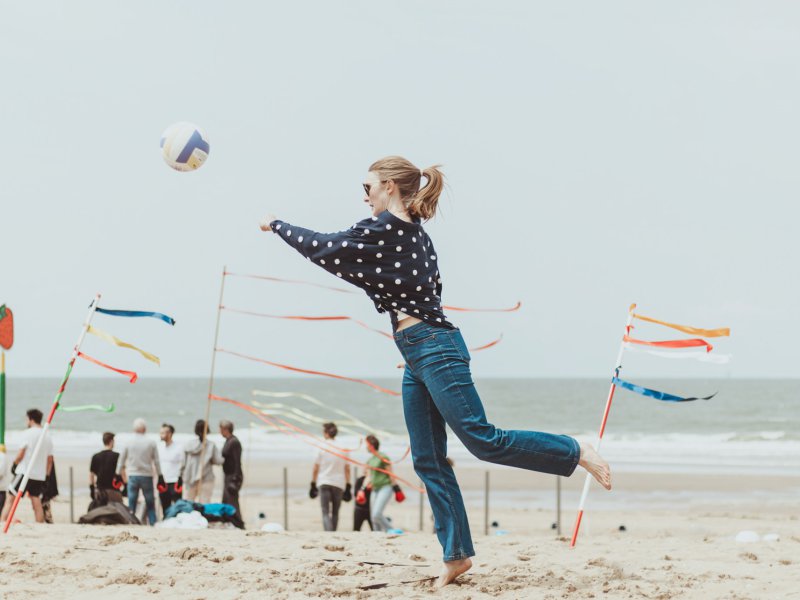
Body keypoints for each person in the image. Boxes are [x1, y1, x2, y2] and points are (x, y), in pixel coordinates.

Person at [259, 156, 611, 587]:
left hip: (435, 349)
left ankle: (575, 451)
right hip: (418, 352)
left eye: (366, 185)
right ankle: (457, 554)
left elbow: (327, 249)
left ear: (389, 186)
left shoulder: (387, 231)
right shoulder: (408, 235)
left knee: (483, 440)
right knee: (427, 459)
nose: (363, 194)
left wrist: (277, 225)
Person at [1, 409, 53, 524]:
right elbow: (50, 460)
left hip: (25, 472)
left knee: (10, 498)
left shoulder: (27, 433)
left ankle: (2, 521)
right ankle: (39, 524)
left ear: (31, 419)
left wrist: (14, 465)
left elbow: (21, 453)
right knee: (36, 501)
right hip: (39, 474)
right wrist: (47, 476)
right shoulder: (47, 435)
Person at [117, 418, 163, 526]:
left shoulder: (128, 442)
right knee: (150, 503)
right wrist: (160, 476)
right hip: (146, 475)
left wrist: (117, 474)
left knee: (132, 503)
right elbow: (156, 461)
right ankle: (153, 523)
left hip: (133, 475)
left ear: (134, 429)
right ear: (145, 429)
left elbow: (122, 460)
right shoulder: (151, 442)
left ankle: (131, 522)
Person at [310, 422, 351, 531]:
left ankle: (329, 534)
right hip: (339, 483)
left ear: (327, 433)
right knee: (335, 512)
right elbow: (347, 468)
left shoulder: (321, 446)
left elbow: (315, 467)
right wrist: (348, 484)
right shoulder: (343, 448)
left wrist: (313, 483)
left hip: (324, 481)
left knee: (325, 512)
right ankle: (333, 533)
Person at [180, 419, 223, 504]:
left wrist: (180, 476)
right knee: (204, 505)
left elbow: (182, 463)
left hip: (190, 478)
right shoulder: (211, 445)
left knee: (188, 505)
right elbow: (218, 461)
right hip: (206, 478)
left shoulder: (188, 444)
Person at [364, 435, 396, 532]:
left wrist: (396, 488)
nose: (366, 447)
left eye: (367, 444)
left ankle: (391, 530)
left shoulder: (383, 456)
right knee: (373, 518)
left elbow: (390, 472)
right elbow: (368, 475)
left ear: (371, 445)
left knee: (376, 514)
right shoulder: (370, 459)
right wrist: (364, 487)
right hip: (375, 489)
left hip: (385, 487)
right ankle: (376, 535)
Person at [219, 420, 244, 529]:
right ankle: (227, 522)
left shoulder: (234, 442)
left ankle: (238, 523)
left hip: (233, 475)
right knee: (226, 500)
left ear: (225, 429)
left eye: (221, 429)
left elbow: (237, 461)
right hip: (227, 474)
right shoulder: (228, 441)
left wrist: (236, 477)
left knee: (232, 500)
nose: (220, 431)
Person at [157, 423, 183, 516]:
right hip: (163, 481)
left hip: (175, 481)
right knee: (164, 506)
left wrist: (180, 478)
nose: (161, 435)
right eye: (161, 432)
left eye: (164, 432)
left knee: (177, 506)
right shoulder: (159, 447)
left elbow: (182, 464)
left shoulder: (178, 447)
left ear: (170, 434)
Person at [89, 432, 120, 509]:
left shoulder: (95, 456)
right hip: (113, 490)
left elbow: (91, 474)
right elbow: (122, 472)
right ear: (111, 441)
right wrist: (125, 485)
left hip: (100, 490)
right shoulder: (117, 456)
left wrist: (92, 488)